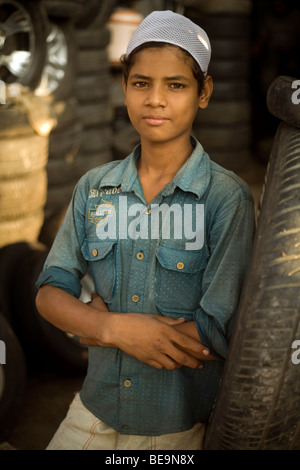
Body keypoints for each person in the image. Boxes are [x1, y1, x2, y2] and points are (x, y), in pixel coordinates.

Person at [35, 10, 255, 450]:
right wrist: (115, 329)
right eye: (141, 83)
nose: (155, 99)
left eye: (176, 85)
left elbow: (217, 333)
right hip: (94, 407)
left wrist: (91, 322)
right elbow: (48, 293)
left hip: (176, 425)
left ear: (204, 92)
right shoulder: (94, 189)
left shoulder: (226, 198)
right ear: (124, 87)